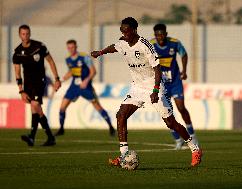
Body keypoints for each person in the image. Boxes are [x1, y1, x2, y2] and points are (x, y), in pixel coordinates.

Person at [91, 17, 202, 167]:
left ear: (134, 30)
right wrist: (101, 52)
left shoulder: (145, 45)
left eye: (127, 31)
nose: (124, 34)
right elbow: (115, 47)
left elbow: (157, 68)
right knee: (121, 115)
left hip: (154, 86)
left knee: (170, 123)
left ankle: (194, 148)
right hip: (137, 87)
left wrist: (156, 90)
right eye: (122, 31)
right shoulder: (123, 42)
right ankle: (124, 155)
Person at [151, 23, 199, 150]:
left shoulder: (174, 43)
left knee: (181, 107)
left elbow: (184, 54)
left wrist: (184, 70)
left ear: (166, 34)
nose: (159, 37)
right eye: (157, 35)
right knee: (167, 113)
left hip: (175, 82)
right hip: (161, 84)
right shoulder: (151, 45)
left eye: (161, 35)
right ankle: (178, 139)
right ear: (155, 36)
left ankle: (192, 136)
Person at [13, 24, 61, 146]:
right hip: (27, 84)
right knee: (35, 109)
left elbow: (50, 61)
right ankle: (42, 138)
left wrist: (56, 78)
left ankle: (36, 137)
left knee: (35, 105)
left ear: (30, 34)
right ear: (19, 35)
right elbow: (17, 73)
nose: (25, 36)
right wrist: (21, 91)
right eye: (23, 34)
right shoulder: (17, 53)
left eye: (27, 33)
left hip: (40, 81)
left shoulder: (39, 46)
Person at [55, 39, 115, 136]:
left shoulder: (84, 57)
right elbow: (71, 72)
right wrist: (60, 80)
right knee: (62, 107)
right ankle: (61, 128)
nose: (71, 49)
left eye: (72, 47)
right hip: (74, 86)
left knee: (96, 105)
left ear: (76, 47)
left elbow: (93, 71)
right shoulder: (68, 59)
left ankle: (111, 127)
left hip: (85, 86)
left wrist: (86, 81)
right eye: (69, 48)